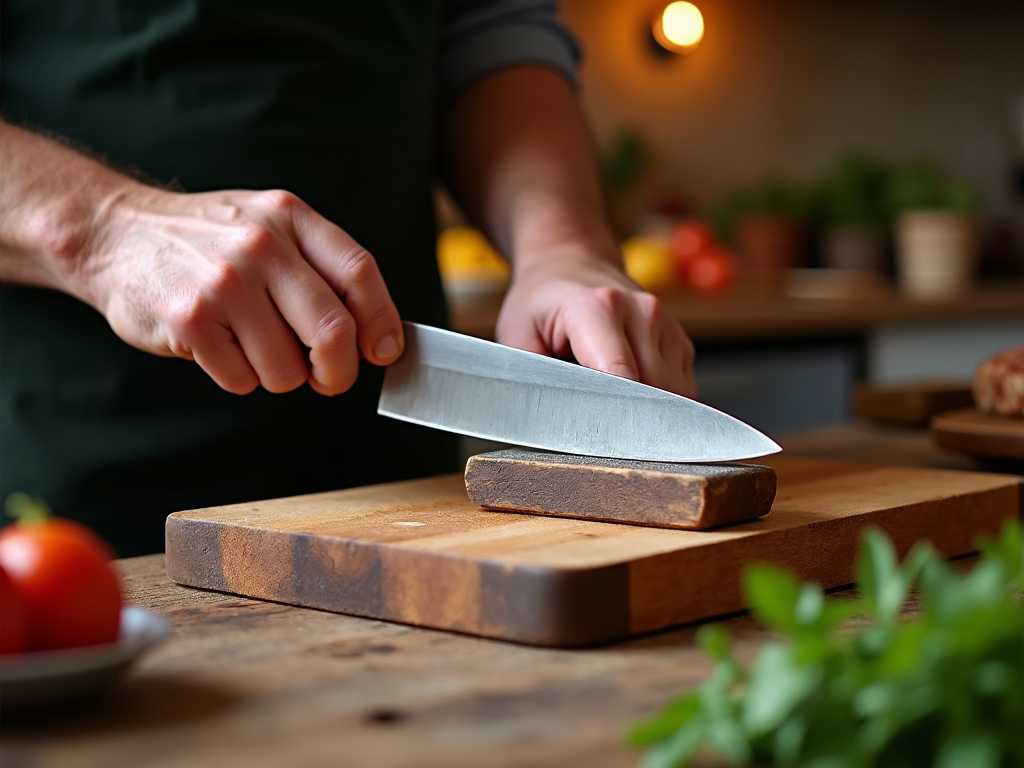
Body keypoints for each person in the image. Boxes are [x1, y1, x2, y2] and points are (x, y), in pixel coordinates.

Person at [0, 1, 696, 556]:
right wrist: (102, 229)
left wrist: (562, 247)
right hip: (67, 522)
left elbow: (490, 31)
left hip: (408, 511)